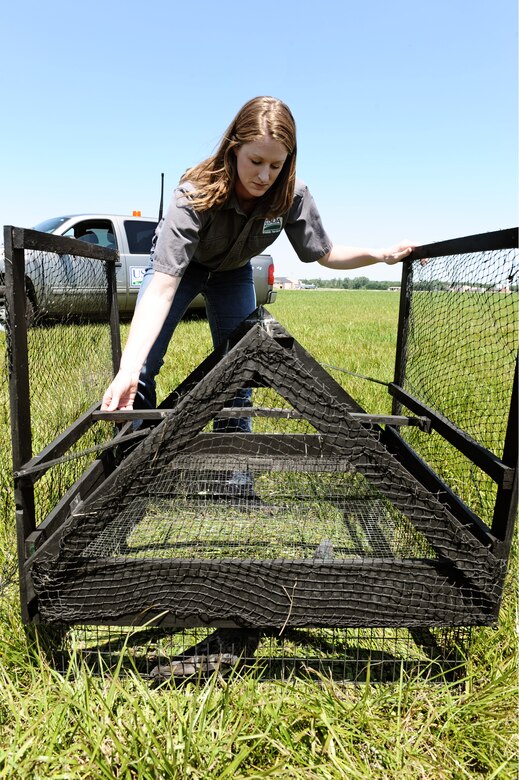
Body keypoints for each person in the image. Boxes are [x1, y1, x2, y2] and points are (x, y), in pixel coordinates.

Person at [101, 96, 413, 415]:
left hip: (233, 274)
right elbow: (162, 288)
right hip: (183, 270)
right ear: (234, 149)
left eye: (275, 166)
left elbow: (327, 253)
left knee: (240, 369)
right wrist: (128, 369)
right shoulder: (195, 194)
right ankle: (136, 452)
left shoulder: (292, 194)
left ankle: (234, 463)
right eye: (256, 161)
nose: (264, 176)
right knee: (140, 369)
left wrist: (380, 254)